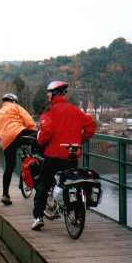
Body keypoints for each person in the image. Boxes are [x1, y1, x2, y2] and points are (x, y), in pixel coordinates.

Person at [32, 81, 96, 230]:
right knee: (70, 181)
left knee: (43, 184)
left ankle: (38, 216)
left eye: (48, 93)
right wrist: (80, 139)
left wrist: (40, 142)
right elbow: (91, 127)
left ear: (53, 94)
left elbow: (45, 132)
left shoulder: (49, 112)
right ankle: (76, 213)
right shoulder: (76, 110)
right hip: (72, 153)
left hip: (54, 154)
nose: (47, 95)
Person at [0, 93, 36, 206]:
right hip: (19, 133)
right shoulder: (16, 107)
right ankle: (36, 160)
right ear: (13, 101)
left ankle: (5, 195)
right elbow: (30, 122)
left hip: (7, 142)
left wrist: (2, 136)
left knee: (9, 167)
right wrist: (31, 134)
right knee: (39, 138)